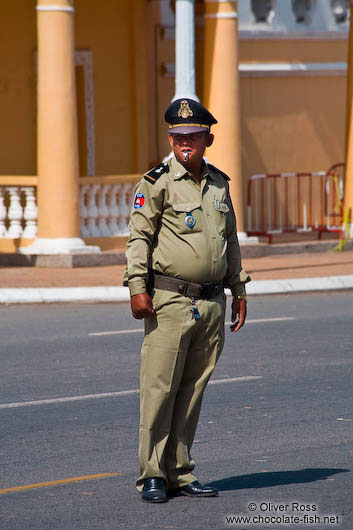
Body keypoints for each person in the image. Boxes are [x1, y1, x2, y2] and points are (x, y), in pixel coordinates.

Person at [124, 98, 250, 503]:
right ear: (171, 140)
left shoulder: (218, 182)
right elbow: (139, 238)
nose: (186, 144)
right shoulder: (156, 182)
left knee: (193, 390)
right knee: (160, 389)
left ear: (208, 139)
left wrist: (239, 288)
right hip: (170, 299)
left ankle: (179, 470)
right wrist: (137, 288)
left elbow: (228, 240)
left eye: (193, 137)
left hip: (211, 302)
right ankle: (152, 475)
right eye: (179, 138)